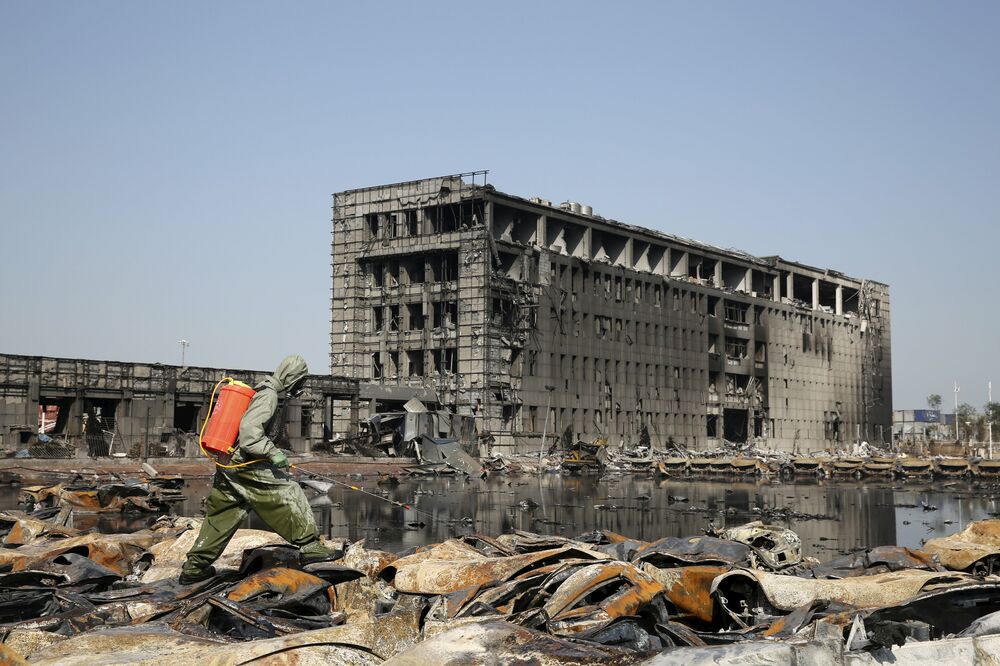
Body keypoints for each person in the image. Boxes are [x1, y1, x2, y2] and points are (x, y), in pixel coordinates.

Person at [180, 354, 337, 584]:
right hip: (244, 462)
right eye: (300, 381)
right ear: (292, 377)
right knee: (289, 490)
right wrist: (273, 453)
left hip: (229, 462)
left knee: (223, 514)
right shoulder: (269, 396)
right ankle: (310, 546)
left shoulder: (265, 392)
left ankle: (195, 567)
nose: (300, 386)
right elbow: (250, 435)